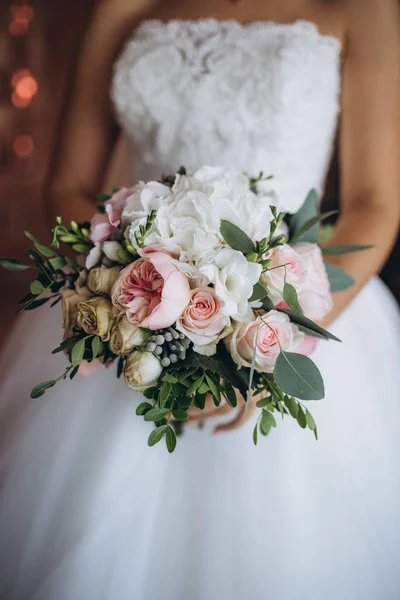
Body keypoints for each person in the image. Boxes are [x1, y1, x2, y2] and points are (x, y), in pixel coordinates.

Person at [1, 0, 400, 598]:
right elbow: (66, 184)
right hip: (132, 298)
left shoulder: (362, 7)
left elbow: (376, 202)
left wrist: (275, 335)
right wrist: (126, 290)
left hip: (293, 298)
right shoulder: (120, 7)